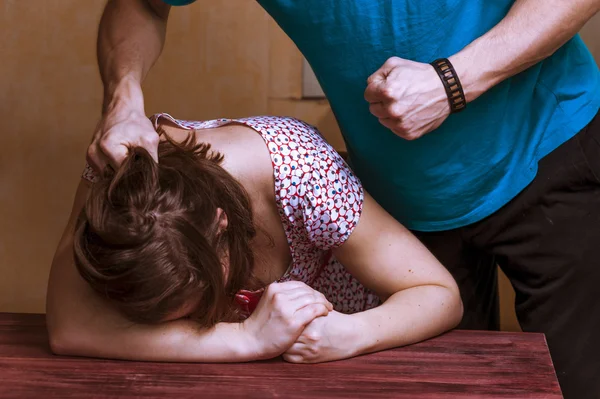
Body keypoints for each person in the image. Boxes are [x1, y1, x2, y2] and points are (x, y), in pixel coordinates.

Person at [87, 1, 600, 396]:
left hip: (550, 144)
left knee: (579, 380)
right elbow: (141, 3)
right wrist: (122, 100)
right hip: (404, 192)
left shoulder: (295, 165)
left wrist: (453, 81)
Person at [46, 113, 463, 363]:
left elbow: (439, 293)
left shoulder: (304, 172)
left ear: (220, 225)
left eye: (192, 299)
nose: (173, 326)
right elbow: (69, 328)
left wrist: (352, 335)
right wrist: (246, 341)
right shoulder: (117, 174)